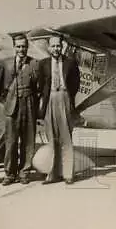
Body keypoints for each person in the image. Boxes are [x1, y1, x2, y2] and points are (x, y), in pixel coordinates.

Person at [38, 36, 80, 184]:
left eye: (58, 46)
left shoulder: (70, 63)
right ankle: (52, 174)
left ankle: (68, 174)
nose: (56, 49)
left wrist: (67, 97)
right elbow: (41, 84)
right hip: (50, 99)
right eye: (53, 46)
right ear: (49, 47)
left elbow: (76, 83)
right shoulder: (43, 64)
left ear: (61, 47)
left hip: (64, 98)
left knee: (66, 138)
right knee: (52, 138)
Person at [0, 34, 38, 185]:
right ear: (14, 47)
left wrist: (32, 102)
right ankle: (9, 174)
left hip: (28, 105)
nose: (21, 49)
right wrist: (6, 102)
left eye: (24, 46)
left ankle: (24, 172)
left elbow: (38, 87)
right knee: (11, 141)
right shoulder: (5, 64)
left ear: (27, 47)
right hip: (11, 107)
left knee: (28, 141)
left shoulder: (34, 63)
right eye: (18, 46)